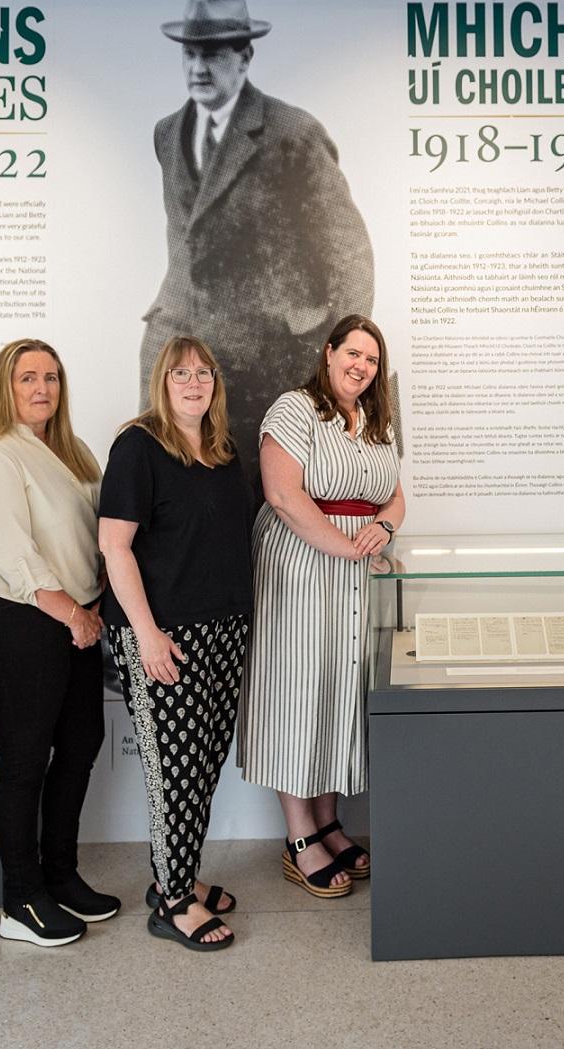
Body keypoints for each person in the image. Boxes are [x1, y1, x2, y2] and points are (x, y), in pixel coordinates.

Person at [142, 0, 374, 497]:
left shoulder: (293, 133)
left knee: (257, 505)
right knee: (173, 500)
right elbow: (186, 243)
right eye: (190, 54)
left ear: (245, 57)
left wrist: (329, 361)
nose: (198, 68)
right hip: (184, 362)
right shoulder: (167, 133)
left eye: (215, 54)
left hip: (266, 365)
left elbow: (349, 253)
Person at [0, 338, 117, 948]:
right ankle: (19, 899)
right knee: (27, 757)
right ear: (6, 386)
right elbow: (14, 551)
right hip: (14, 615)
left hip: (75, 613)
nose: (41, 388)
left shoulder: (73, 453)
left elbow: (98, 532)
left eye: (51, 377)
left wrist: (93, 600)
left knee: (80, 741)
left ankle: (60, 876)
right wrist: (71, 612)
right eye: (27, 378)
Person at [238, 314, 404, 898]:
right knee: (299, 689)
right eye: (353, 354)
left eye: (372, 359)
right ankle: (299, 836)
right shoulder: (294, 408)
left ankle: (329, 821)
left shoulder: (375, 419)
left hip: (353, 570)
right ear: (329, 353)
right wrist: (347, 549)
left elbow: (395, 493)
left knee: (339, 689)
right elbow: (283, 493)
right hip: (301, 566)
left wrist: (382, 527)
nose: (362, 366)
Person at [99, 335, 254, 951]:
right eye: (180, 374)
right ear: (161, 383)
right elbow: (115, 545)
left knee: (205, 762)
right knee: (174, 771)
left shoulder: (222, 451)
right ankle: (171, 903)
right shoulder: (138, 446)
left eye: (204, 373)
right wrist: (147, 636)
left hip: (226, 629)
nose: (194, 383)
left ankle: (178, 875)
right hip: (164, 633)